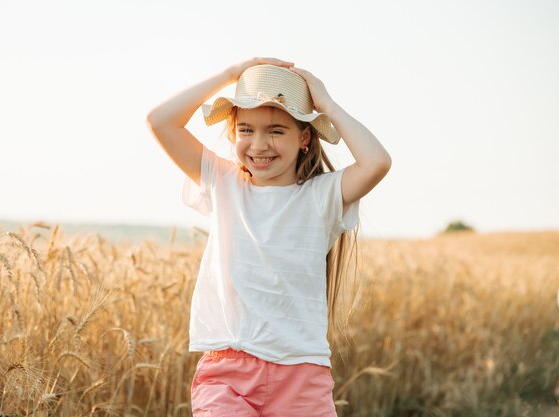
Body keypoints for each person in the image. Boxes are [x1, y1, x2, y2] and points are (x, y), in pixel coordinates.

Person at [146, 57, 392, 417]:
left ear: (304, 137)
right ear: (233, 135)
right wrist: (228, 76)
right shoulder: (223, 182)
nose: (259, 144)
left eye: (276, 131)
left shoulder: (322, 195)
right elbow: (160, 121)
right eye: (246, 129)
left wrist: (326, 105)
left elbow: (377, 162)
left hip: (302, 375)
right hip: (227, 371)